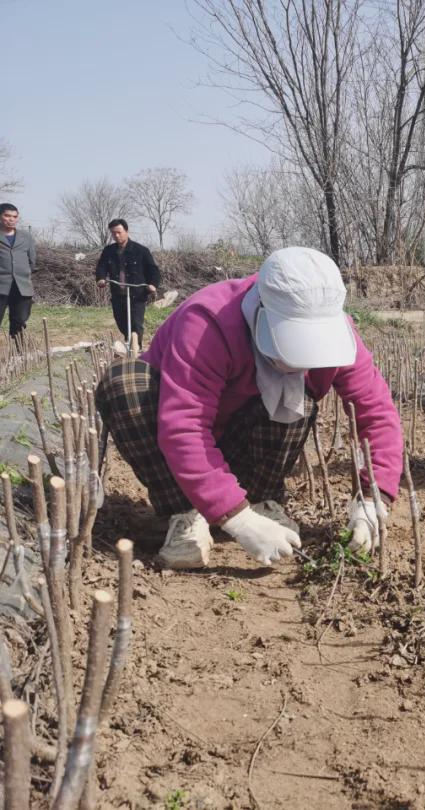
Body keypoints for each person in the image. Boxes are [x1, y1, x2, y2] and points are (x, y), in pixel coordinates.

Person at [95, 246, 403, 570]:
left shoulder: (339, 334)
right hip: (179, 451)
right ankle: (185, 513)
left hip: (248, 441)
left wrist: (374, 498)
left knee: (294, 391)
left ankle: (259, 498)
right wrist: (237, 520)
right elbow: (184, 426)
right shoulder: (207, 322)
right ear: (263, 314)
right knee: (123, 383)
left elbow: (377, 413)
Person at [94, 219, 161, 352]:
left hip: (137, 295)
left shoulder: (141, 251)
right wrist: (101, 278)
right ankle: (129, 342)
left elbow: (153, 270)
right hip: (118, 294)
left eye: (119, 232)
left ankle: (137, 347)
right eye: (113, 233)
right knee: (122, 323)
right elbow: (101, 267)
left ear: (126, 231)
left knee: (136, 323)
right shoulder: (109, 251)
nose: (116, 236)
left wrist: (153, 284)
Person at [0, 203, 36, 346]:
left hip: (21, 286)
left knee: (20, 320)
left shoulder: (25, 237)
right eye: (7, 216)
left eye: (14, 216)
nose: (11, 219)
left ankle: (17, 353)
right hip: (1, 286)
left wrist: (24, 273)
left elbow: (32, 261)